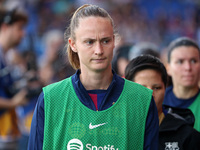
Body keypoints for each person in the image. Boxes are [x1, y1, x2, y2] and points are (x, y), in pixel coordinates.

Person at [28, 4, 159, 150]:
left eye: (105, 41)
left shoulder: (142, 99)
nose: (99, 50)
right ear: (73, 44)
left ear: (114, 41)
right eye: (89, 42)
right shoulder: (50, 99)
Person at [125, 55, 200, 150]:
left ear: (165, 89)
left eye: (156, 88)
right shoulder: (112, 131)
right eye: (142, 88)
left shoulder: (187, 136)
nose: (150, 95)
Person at [0, 7, 28, 150]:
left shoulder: (8, 57)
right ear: (5, 27)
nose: (23, 34)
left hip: (9, 133)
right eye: (19, 28)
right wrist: (13, 102)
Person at [163, 37, 200, 132]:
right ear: (168, 68)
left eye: (193, 61)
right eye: (180, 62)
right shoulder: (157, 102)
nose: (188, 67)